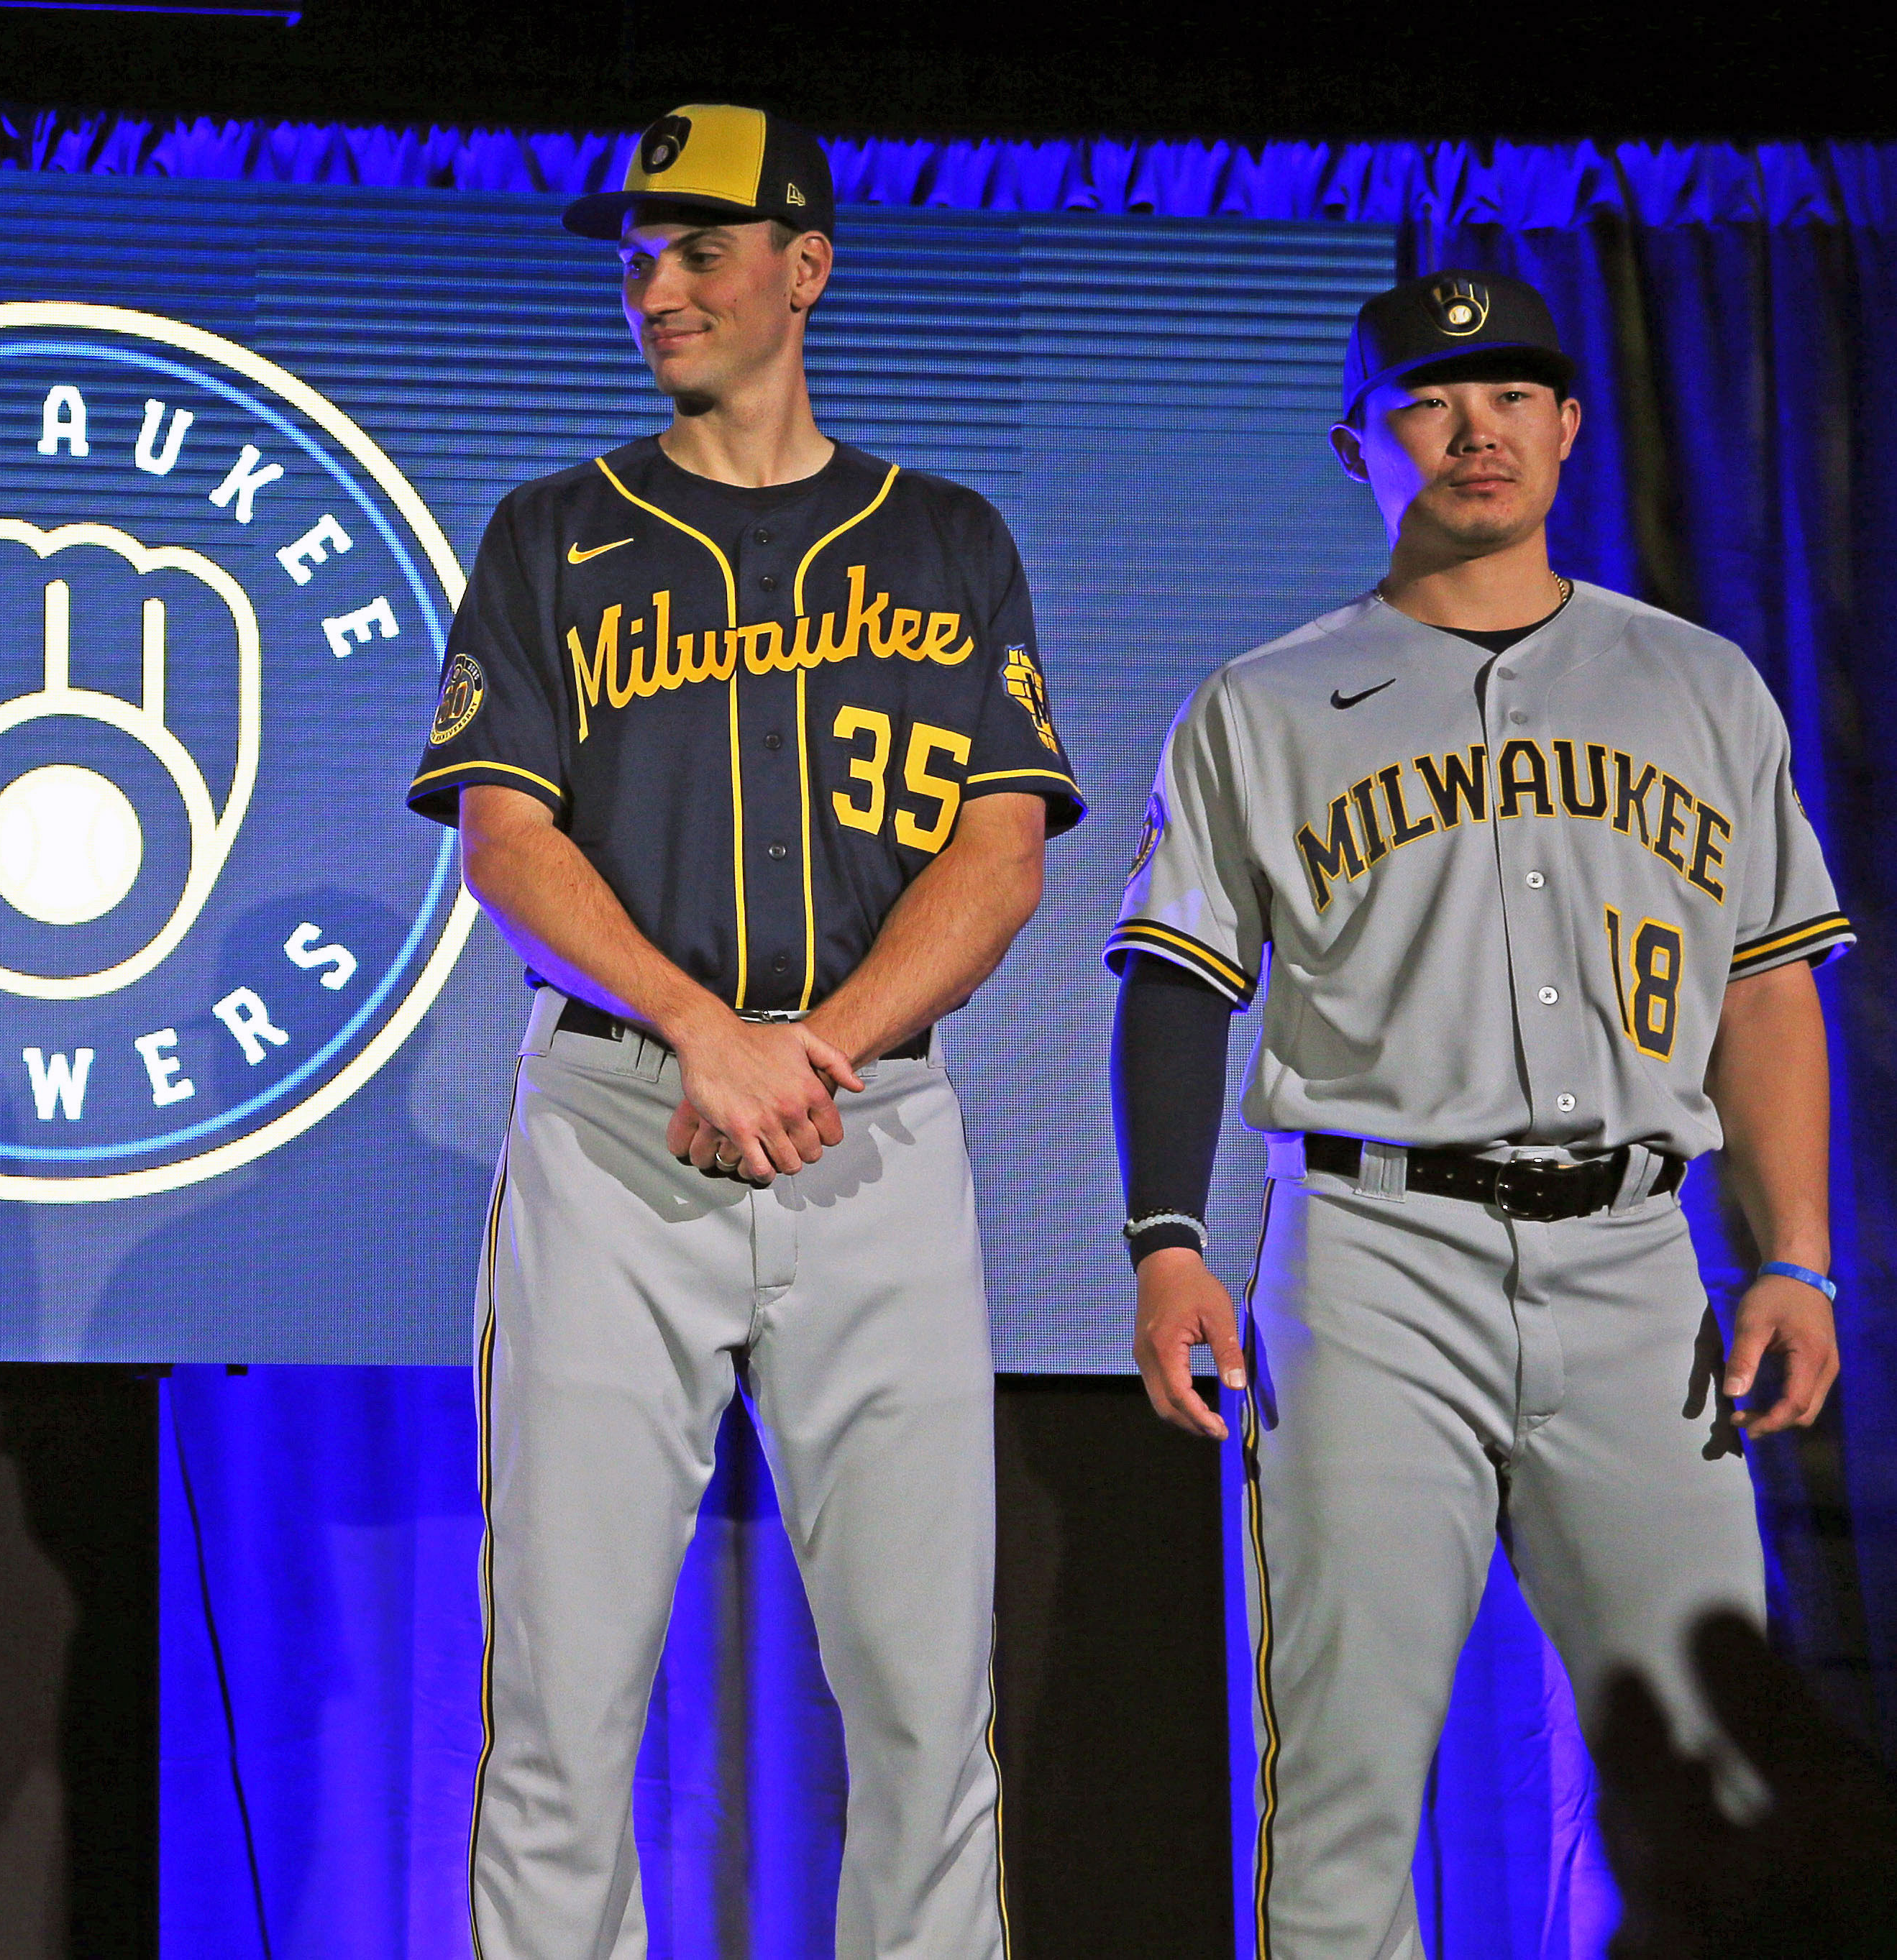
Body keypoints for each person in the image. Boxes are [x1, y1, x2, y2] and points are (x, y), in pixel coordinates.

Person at [406, 102, 1082, 1959]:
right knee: (558, 1699)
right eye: (633, 250)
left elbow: (1001, 851)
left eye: (699, 245)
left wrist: (818, 1042)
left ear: (805, 263)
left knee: (926, 1700)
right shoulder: (552, 532)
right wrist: (704, 1024)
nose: (657, 282)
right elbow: (503, 834)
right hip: (621, 1131)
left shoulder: (942, 536)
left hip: (869, 1131)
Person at [1112, 267, 1850, 1959]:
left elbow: (1766, 985)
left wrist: (1797, 1260)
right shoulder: (1264, 700)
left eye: (1512, 393)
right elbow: (1175, 979)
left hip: (1637, 1260)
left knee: (1719, 1770)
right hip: (1370, 1256)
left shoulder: (1701, 682)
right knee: (1349, 1781)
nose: (1477, 428)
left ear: (1570, 426)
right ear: (1358, 445)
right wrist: (1166, 1240)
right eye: (1430, 400)